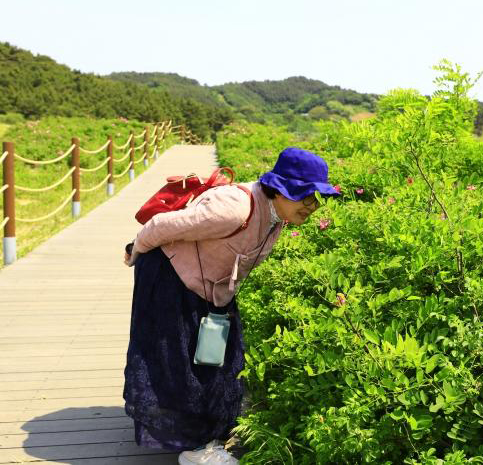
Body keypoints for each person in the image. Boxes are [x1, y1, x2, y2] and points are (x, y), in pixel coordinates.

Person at [122, 147, 341, 464]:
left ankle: (209, 435)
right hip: (169, 275)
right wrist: (134, 251)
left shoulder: (277, 216)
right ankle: (194, 449)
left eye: (316, 197)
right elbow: (160, 226)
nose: (311, 205)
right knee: (179, 362)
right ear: (278, 188)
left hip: (213, 288)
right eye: (304, 195)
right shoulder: (234, 209)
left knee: (220, 359)